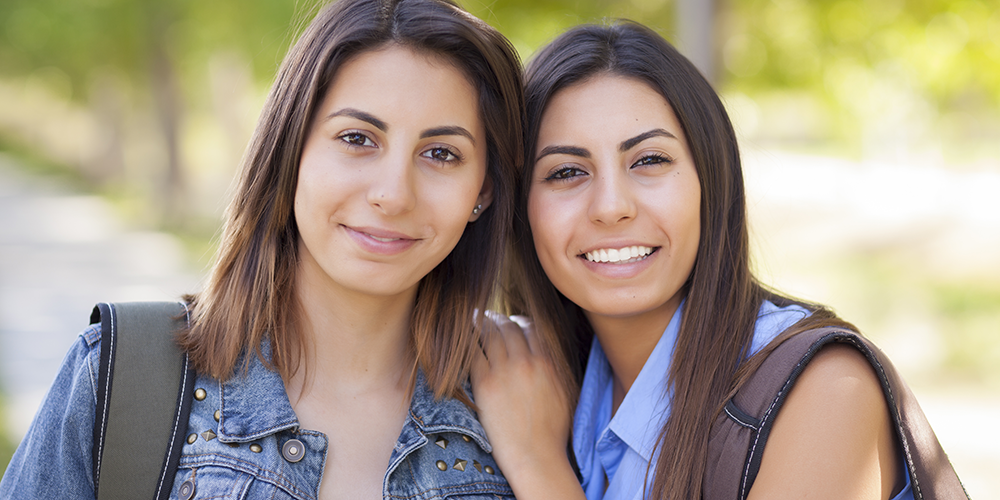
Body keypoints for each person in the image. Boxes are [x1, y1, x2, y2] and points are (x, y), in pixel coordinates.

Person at [0, 0, 525, 498]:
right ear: (291, 147)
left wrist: (538, 461)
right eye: (357, 138)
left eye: (441, 153)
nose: (392, 194)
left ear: (484, 190)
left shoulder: (525, 405)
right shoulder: (119, 379)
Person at [471, 22, 929, 500]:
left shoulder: (826, 391)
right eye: (566, 171)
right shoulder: (539, 380)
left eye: (649, 160)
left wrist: (537, 465)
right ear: (520, 209)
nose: (611, 206)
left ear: (710, 180)